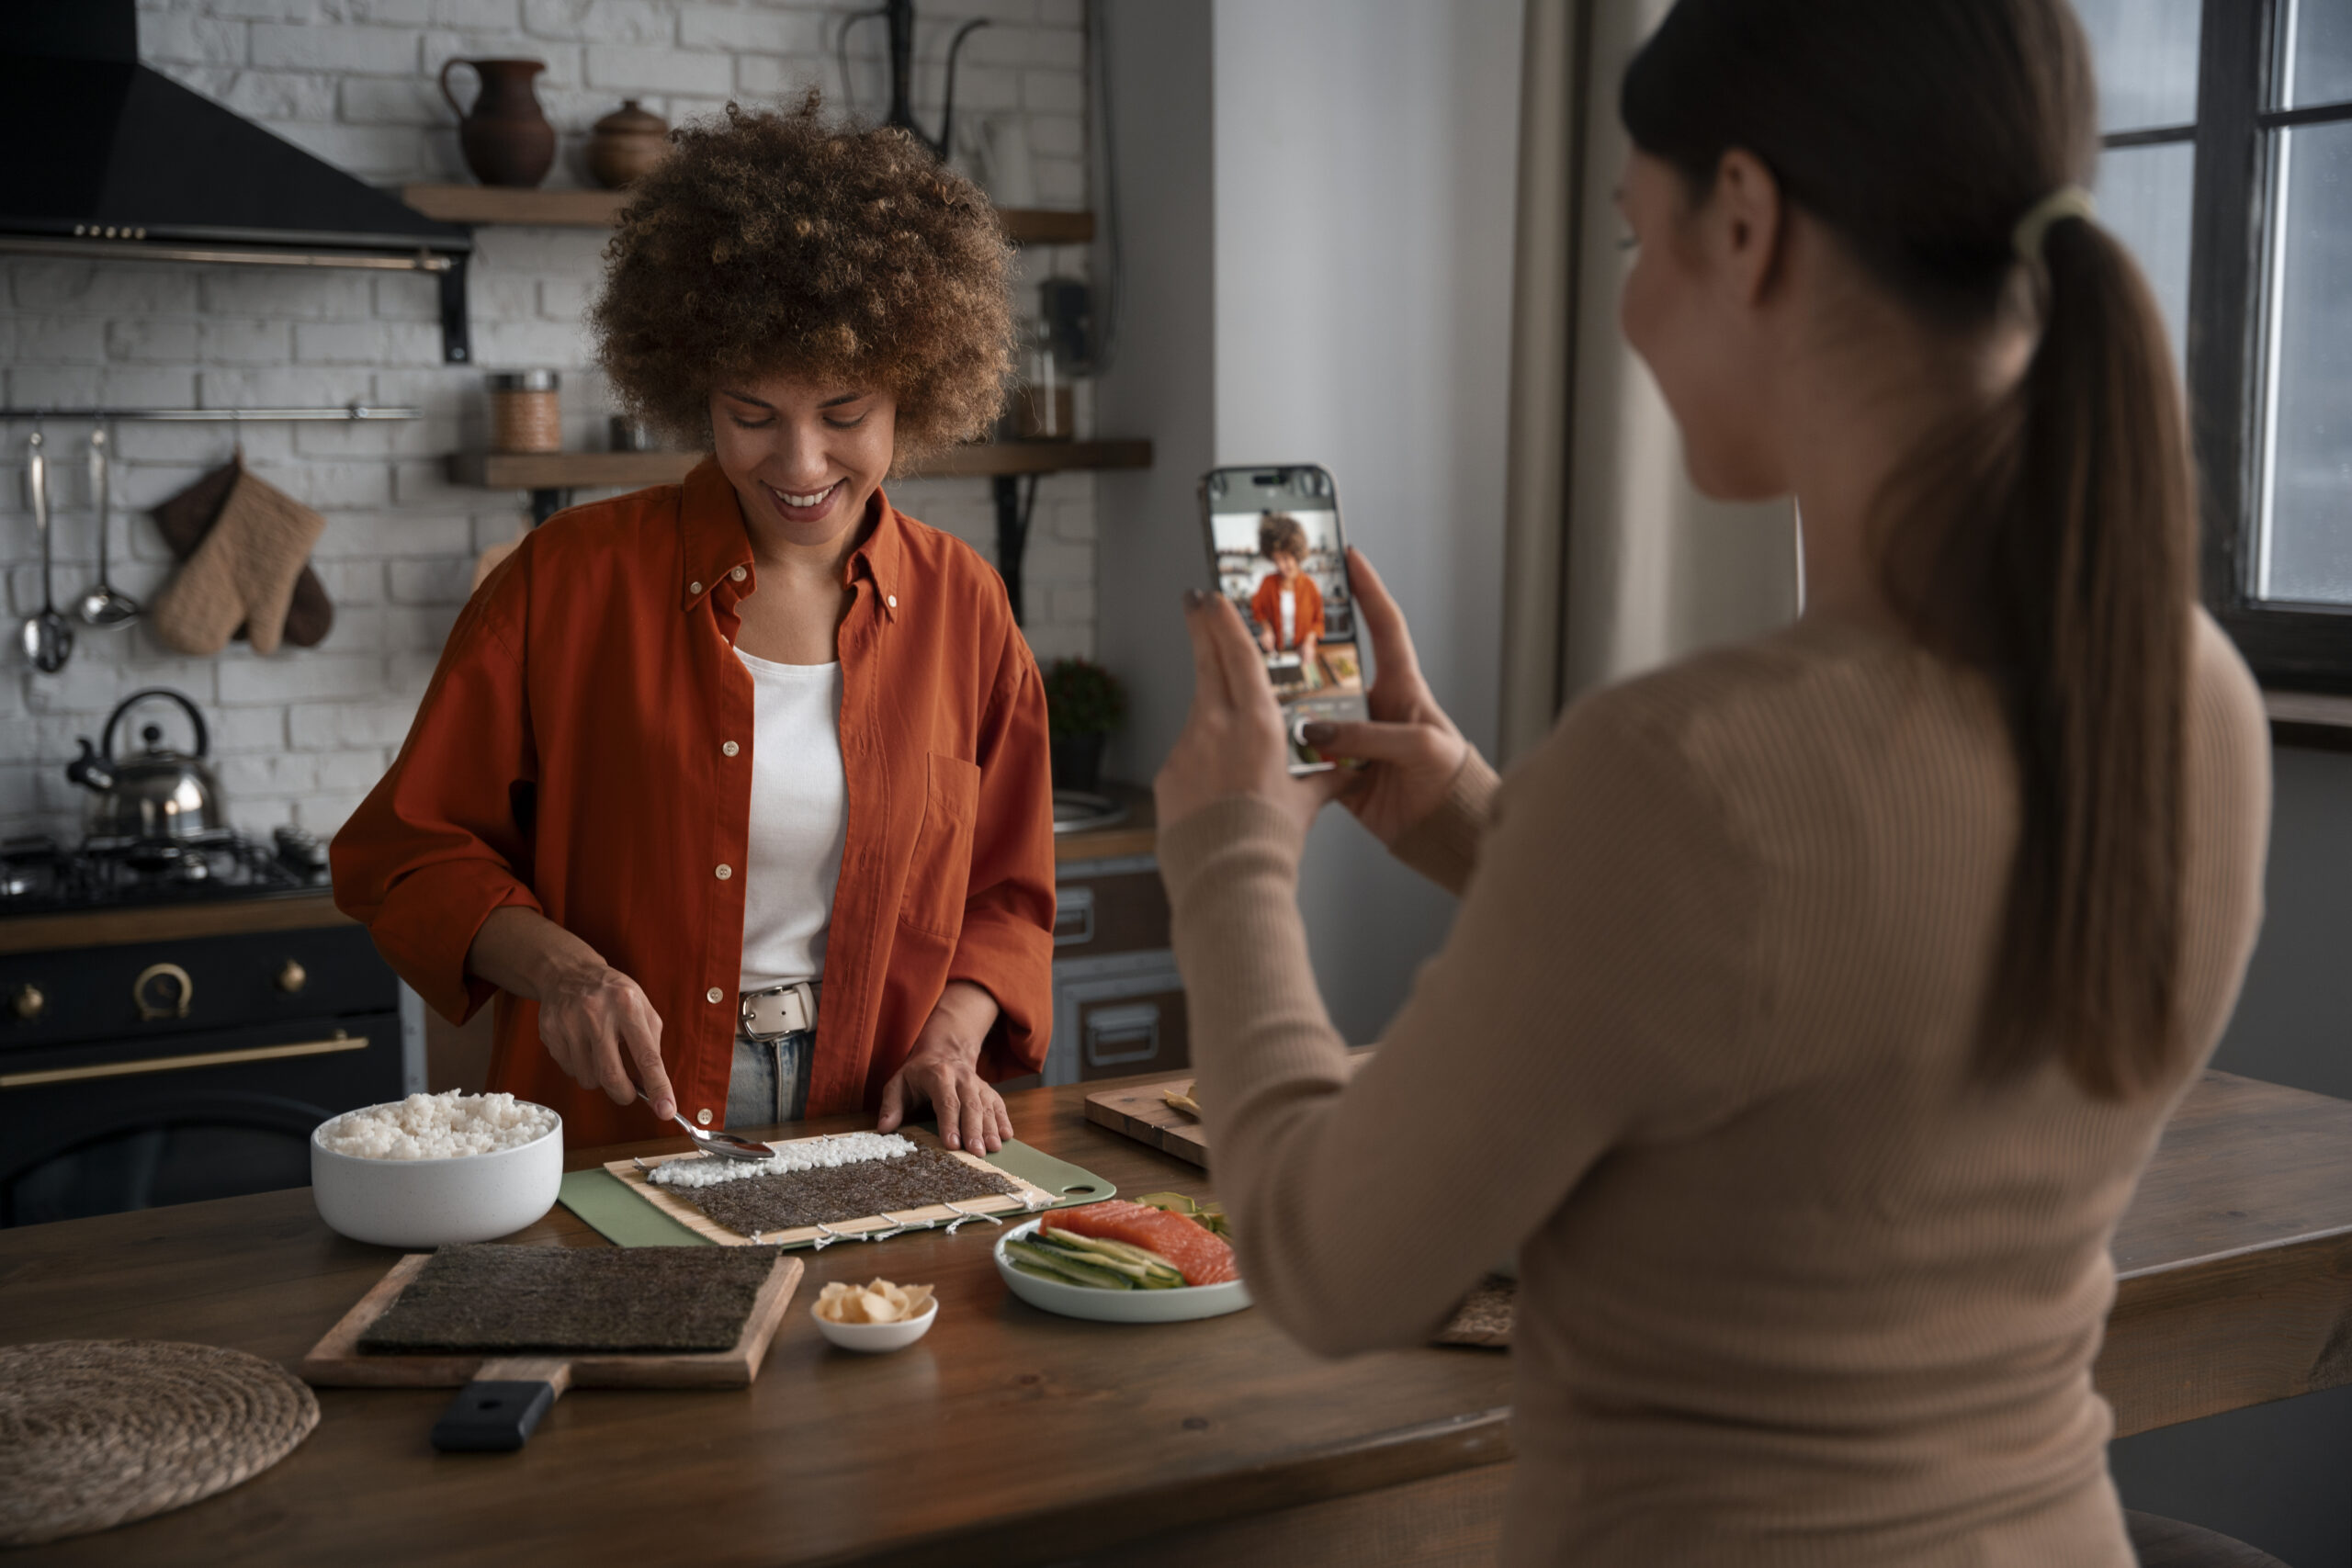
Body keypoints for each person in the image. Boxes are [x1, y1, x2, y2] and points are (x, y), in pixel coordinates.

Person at [1151, 1, 2268, 1562]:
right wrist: (1483, 816)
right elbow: (1821, 996)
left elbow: (1331, 1263)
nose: (1628, 309)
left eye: (1635, 240)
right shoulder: (2191, 693)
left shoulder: (1688, 773)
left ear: (1743, 222)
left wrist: (1227, 861)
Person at [333, 97, 1054, 1156]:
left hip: (877, 1115)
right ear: (690, 389)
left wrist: (950, 1042)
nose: (800, 466)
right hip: (625, 1118)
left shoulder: (966, 604)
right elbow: (407, 855)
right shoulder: (568, 580)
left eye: (845, 414)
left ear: (918, 389)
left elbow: (1007, 896)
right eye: (750, 415)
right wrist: (564, 973)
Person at [1247, 513, 1322, 673]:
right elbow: (1258, 610)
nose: (1281, 566)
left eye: (1286, 558)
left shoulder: (1310, 586)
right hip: (1276, 654)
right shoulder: (1267, 583)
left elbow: (1318, 622)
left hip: (1302, 654)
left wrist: (1309, 643)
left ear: (1297, 554)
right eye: (1276, 560)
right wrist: (1266, 629)